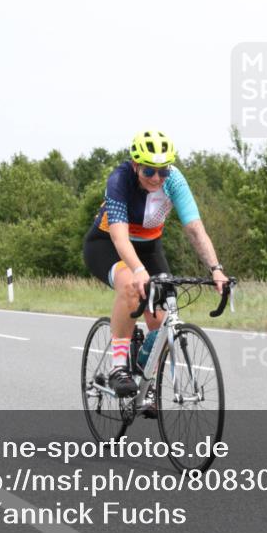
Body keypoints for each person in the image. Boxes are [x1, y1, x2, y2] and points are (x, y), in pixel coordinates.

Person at [83, 130, 228, 406]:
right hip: (107, 245)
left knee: (162, 319)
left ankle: (146, 380)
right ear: (136, 165)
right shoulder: (119, 180)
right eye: (149, 170)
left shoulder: (174, 181)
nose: (156, 178)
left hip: (149, 248)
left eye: (162, 171)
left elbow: (195, 229)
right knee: (130, 285)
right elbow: (119, 237)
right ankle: (117, 366)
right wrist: (137, 271)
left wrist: (216, 269)